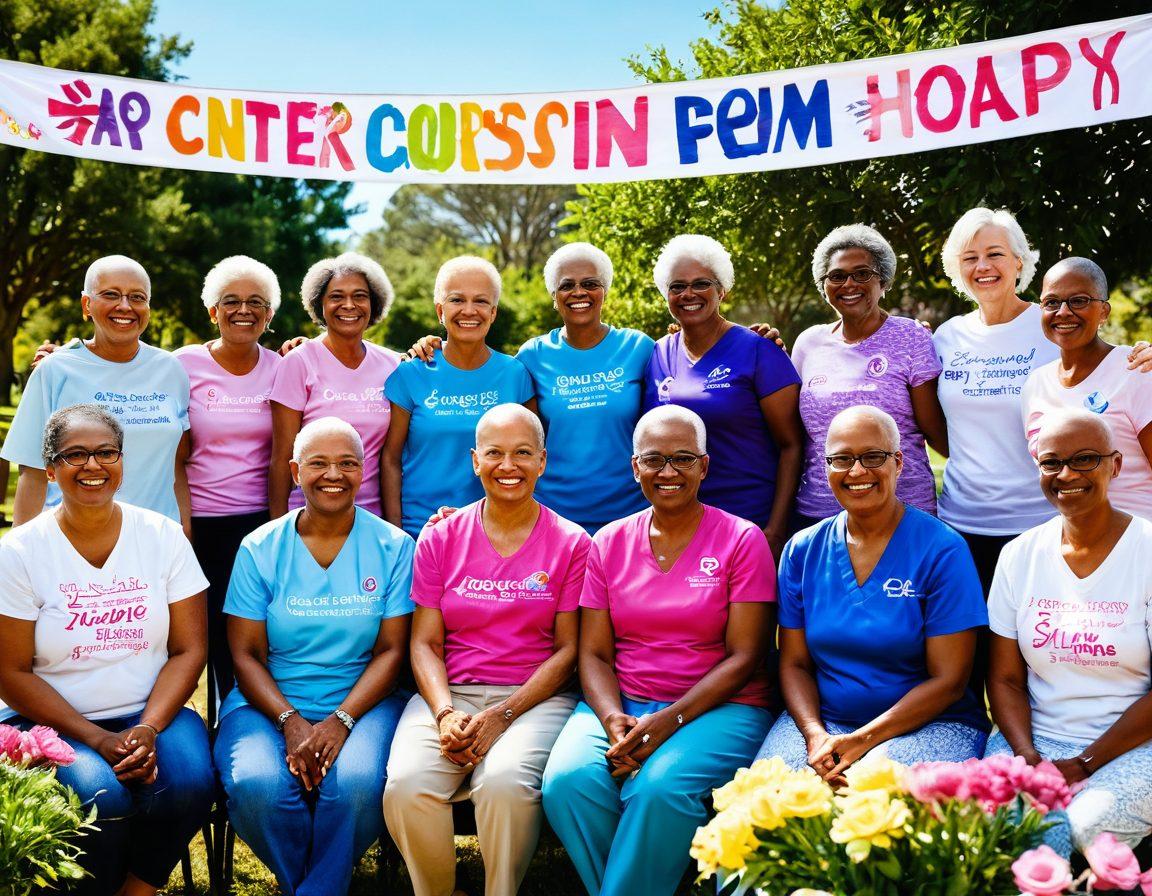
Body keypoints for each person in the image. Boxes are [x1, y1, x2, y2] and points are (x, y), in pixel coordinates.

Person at [542, 405, 776, 896]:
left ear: (704, 467)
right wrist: (613, 720)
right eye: (654, 459)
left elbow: (746, 656)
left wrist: (670, 720)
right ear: (635, 468)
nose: (668, 471)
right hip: (624, 702)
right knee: (567, 783)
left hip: (721, 706)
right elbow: (594, 655)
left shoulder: (742, 539)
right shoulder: (608, 542)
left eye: (683, 459)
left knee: (659, 788)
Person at [0, 404, 212, 896]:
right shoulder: (20, 552)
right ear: (50, 469)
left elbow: (189, 650)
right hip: (51, 721)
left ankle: (137, 888)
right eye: (74, 455)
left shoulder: (162, 537)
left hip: (150, 711)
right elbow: (11, 672)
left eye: (105, 453)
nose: (92, 465)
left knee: (188, 783)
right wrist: (95, 737)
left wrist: (148, 727)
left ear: (121, 461)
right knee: (102, 793)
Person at [384, 404, 589, 896]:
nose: (508, 466)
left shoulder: (572, 543)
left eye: (523, 453)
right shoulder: (440, 537)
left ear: (543, 461)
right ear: (475, 460)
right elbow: (425, 642)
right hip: (450, 693)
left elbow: (568, 651)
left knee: (503, 784)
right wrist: (443, 714)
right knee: (407, 786)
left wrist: (504, 713)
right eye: (494, 453)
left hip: (535, 698)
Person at [214, 417, 414, 896]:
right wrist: (289, 721)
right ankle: (317, 882)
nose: (334, 474)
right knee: (258, 786)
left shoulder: (393, 547)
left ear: (363, 471)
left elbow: (391, 652)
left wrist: (341, 720)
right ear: (295, 471)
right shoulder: (260, 548)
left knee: (358, 785)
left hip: (364, 703)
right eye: (319, 463)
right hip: (266, 703)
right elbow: (245, 654)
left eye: (347, 463)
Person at [757, 406, 989, 778]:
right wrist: (814, 734)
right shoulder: (802, 550)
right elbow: (795, 663)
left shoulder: (942, 549)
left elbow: (949, 681)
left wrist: (863, 741)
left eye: (873, 457)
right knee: (766, 794)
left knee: (867, 792)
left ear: (898, 462)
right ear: (826, 468)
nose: (857, 471)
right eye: (842, 459)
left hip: (931, 723)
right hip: (825, 722)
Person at [986, 409, 1152, 856]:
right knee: (990, 817)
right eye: (1051, 462)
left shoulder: (1147, 550)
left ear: (1115, 465)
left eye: (1084, 459)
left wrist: (1084, 763)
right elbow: (1004, 679)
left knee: (1082, 828)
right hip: (1034, 737)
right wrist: (1026, 757)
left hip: (1133, 742)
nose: (1066, 474)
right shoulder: (1018, 555)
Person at [643, 234, 802, 558]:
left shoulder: (759, 350)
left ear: (722, 290)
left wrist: (776, 530)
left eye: (701, 283)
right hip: (680, 526)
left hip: (749, 521)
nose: (688, 294)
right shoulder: (658, 353)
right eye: (677, 286)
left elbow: (792, 445)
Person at [1, 255, 190, 525]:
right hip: (72, 538)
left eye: (137, 297)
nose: (125, 306)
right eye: (111, 294)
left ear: (148, 307)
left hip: (157, 538)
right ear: (86, 304)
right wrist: (20, 546)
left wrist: (184, 532)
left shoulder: (170, 369)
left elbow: (177, 467)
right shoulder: (55, 370)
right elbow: (32, 472)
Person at [174, 255, 281, 706]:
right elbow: (175, 456)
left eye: (256, 302)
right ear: (212, 311)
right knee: (207, 634)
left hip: (262, 524)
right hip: (199, 523)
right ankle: (216, 725)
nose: (244, 310)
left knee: (257, 636)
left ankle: (253, 720)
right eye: (231, 301)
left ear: (269, 314)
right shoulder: (181, 365)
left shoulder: (283, 366)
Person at [791, 225, 946, 528]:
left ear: (883, 280)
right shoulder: (808, 343)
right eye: (837, 276)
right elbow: (794, 436)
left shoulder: (911, 337)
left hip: (904, 513)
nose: (849, 284)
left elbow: (935, 431)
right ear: (824, 284)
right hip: (820, 513)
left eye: (862, 274)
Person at [381, 256, 534, 539]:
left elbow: (532, 458)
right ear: (440, 310)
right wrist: (396, 534)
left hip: (496, 533)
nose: (469, 310)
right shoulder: (411, 373)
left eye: (481, 301)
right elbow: (390, 459)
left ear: (493, 313)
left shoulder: (515, 375)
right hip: (422, 531)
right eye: (457, 300)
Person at [516, 243, 654, 533]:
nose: (579, 292)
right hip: (555, 519)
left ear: (605, 291)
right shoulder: (532, 356)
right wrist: (432, 349)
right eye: (567, 285)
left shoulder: (638, 347)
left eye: (590, 284)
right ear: (554, 297)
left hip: (630, 515)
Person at [269, 252, 399, 518]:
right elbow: (281, 459)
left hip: (371, 518)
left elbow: (393, 458)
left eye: (360, 296)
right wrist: (278, 528)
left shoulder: (393, 365)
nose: (349, 305)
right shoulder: (298, 362)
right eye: (336, 296)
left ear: (374, 303)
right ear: (320, 304)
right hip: (308, 518)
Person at [1022, 257, 1152, 521]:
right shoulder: (1035, 385)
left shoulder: (1137, 371)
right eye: (1051, 302)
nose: (1063, 312)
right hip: (1071, 539)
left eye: (1079, 300)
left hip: (1138, 534)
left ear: (1104, 311)